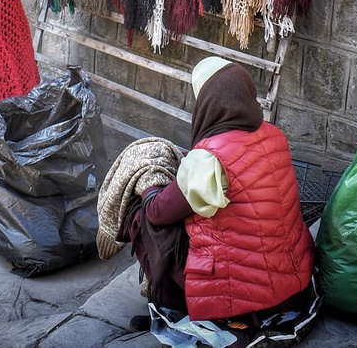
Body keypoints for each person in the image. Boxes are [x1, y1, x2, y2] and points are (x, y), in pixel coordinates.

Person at [122, 56, 318, 347]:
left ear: (207, 102)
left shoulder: (208, 159)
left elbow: (158, 212)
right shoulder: (275, 137)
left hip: (243, 298)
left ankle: (172, 306)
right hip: (293, 284)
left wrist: (149, 187)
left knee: (141, 218)